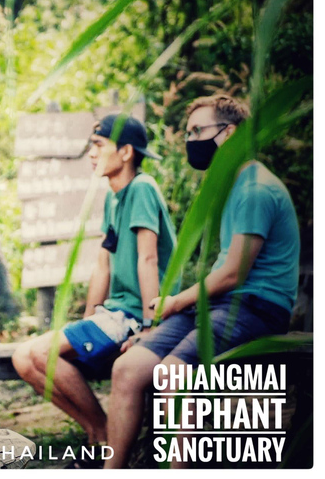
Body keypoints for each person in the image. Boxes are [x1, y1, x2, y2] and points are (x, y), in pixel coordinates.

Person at [104, 94, 300, 468]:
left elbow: (232, 274)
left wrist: (174, 302)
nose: (191, 140)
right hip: (221, 305)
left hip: (257, 306)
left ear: (231, 133)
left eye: (199, 130)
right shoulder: (232, 186)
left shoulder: (256, 188)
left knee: (171, 373)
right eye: (188, 132)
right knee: (127, 368)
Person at [12, 114, 177, 461]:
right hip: (112, 314)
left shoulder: (143, 188)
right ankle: (100, 430)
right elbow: (103, 262)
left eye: (99, 145)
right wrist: (87, 320)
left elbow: (148, 260)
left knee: (41, 353)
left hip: (136, 313)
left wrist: (153, 326)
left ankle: (106, 440)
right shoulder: (113, 197)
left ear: (127, 152)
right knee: (23, 360)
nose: (91, 153)